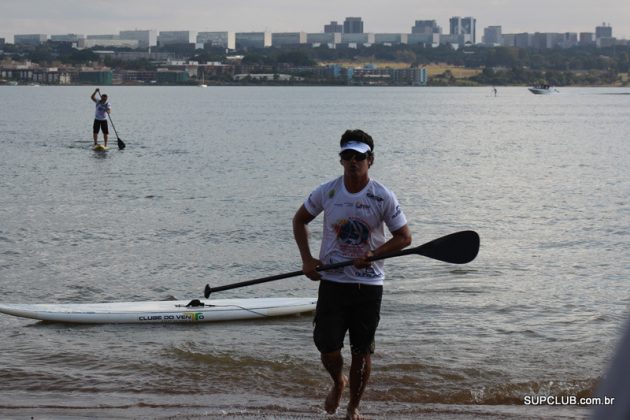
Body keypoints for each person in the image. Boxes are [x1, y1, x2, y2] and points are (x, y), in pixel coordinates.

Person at [293, 129, 412, 419]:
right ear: (341, 160)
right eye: (347, 156)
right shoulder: (328, 191)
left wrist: (374, 254)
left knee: (361, 352)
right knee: (326, 344)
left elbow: (404, 237)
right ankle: (338, 381)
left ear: (370, 160)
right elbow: (300, 220)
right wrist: (308, 260)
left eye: (359, 156)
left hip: (368, 284)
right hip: (333, 282)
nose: (353, 161)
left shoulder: (382, 196)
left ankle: (353, 407)